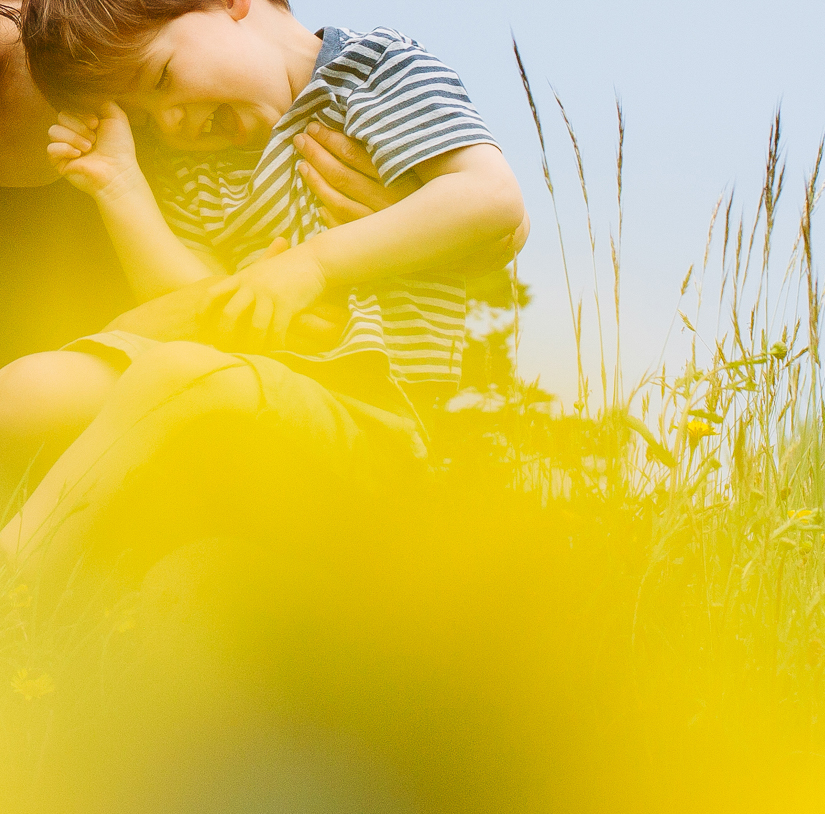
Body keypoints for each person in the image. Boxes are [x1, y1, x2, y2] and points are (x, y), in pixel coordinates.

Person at [2, 0, 528, 577]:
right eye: (147, 119)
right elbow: (198, 304)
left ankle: (18, 571)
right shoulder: (198, 167)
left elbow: (492, 198)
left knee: (176, 375)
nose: (171, 122)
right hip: (245, 380)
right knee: (33, 383)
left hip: (375, 413)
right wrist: (123, 187)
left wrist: (315, 266)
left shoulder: (372, 71)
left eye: (160, 78)